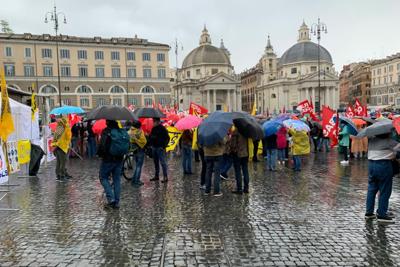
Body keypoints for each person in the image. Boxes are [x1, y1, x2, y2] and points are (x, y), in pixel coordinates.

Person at [365, 133, 400, 223]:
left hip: (371, 165)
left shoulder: (372, 140)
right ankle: (381, 214)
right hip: (383, 165)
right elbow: (398, 152)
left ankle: (369, 213)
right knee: (385, 190)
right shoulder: (390, 141)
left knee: (371, 189)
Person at [97, 120, 129, 209]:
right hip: (119, 159)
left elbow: (102, 146)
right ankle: (117, 202)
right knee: (117, 180)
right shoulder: (121, 131)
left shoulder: (107, 131)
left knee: (103, 177)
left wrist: (100, 154)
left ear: (107, 123)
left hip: (108, 159)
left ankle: (111, 199)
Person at [228, 128, 250, 194]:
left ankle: (239, 189)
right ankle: (246, 188)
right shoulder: (246, 131)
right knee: (245, 170)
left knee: (238, 171)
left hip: (237, 154)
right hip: (245, 153)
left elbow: (233, 145)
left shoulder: (236, 131)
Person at [149, 118, 170, 183]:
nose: (153, 123)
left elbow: (168, 138)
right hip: (154, 148)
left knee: (163, 163)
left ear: (157, 122)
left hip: (160, 148)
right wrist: (151, 143)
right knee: (156, 162)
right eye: (153, 121)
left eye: (154, 122)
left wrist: (163, 146)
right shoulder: (153, 128)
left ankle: (165, 177)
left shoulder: (162, 128)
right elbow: (151, 137)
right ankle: (156, 176)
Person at [52, 117, 72, 181]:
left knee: (59, 162)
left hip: (58, 147)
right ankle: (62, 176)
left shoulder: (58, 128)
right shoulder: (63, 129)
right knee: (62, 162)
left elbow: (55, 138)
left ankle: (58, 175)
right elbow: (66, 138)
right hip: (62, 147)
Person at [128, 121, 147, 187]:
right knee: (139, 166)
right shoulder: (139, 131)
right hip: (140, 149)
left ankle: (134, 179)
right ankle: (136, 181)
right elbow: (144, 141)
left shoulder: (130, 130)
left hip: (134, 150)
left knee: (137, 165)